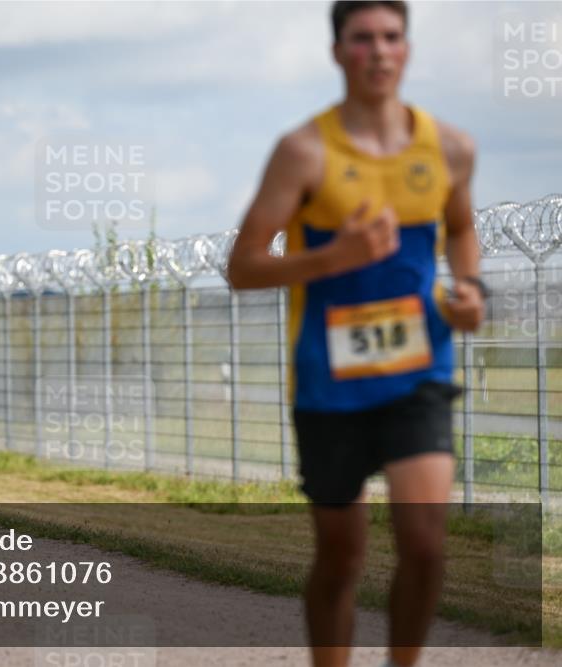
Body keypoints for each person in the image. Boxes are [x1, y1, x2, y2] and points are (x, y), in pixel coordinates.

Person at [227, 2, 486, 666]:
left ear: (408, 48)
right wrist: (330, 259)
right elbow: (244, 263)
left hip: (418, 369)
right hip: (329, 380)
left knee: (426, 543)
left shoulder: (449, 147)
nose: (379, 51)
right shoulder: (304, 151)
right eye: (363, 38)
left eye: (392, 37)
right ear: (338, 51)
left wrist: (469, 289)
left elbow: (459, 226)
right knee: (342, 556)